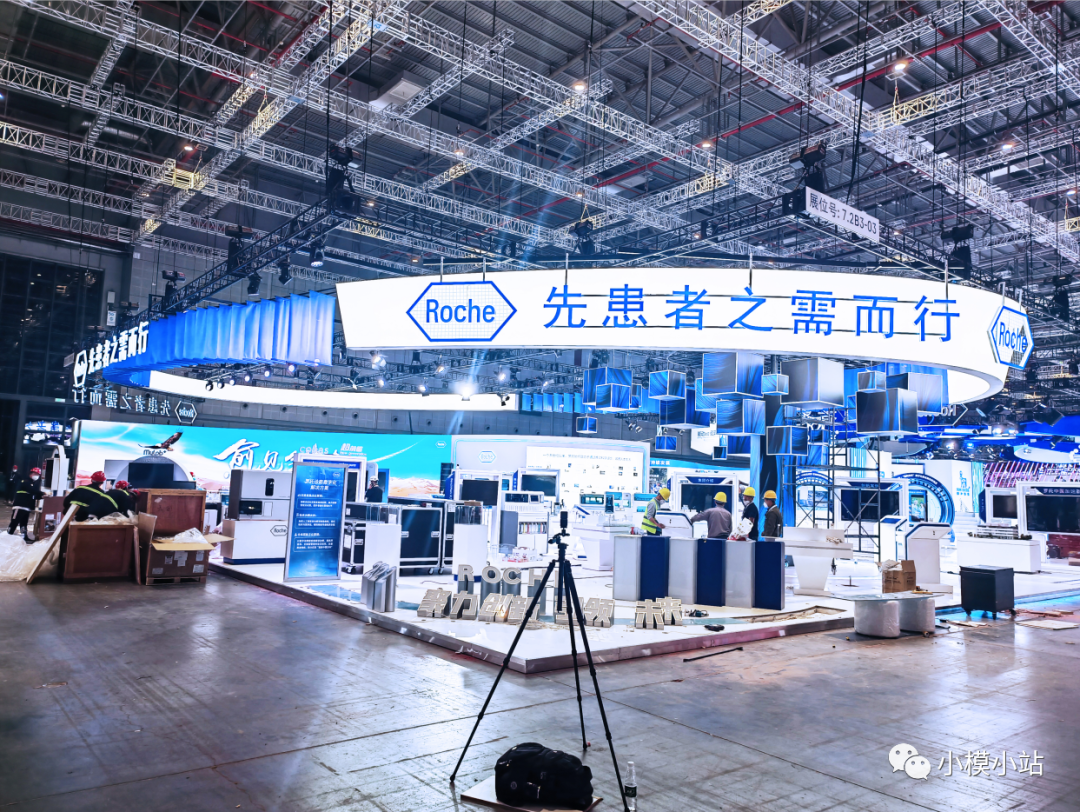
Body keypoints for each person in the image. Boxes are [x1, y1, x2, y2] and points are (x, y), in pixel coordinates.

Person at [8, 467, 44, 540]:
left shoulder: (33, 484)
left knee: (24, 523)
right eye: (35, 474)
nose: (36, 476)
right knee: (14, 522)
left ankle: (24, 537)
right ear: (31, 474)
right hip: (20, 506)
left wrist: (42, 496)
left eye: (38, 475)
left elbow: (34, 495)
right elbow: (31, 490)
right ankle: (8, 535)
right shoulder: (25, 481)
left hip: (27, 507)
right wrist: (43, 493)